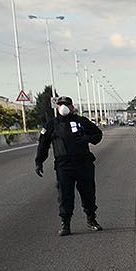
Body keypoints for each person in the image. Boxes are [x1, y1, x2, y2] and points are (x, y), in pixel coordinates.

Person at [35, 96, 104, 237]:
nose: (63, 107)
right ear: (57, 107)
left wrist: (87, 138)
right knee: (65, 195)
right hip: (63, 166)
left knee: (88, 194)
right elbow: (43, 144)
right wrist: (39, 161)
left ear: (72, 107)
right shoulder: (51, 125)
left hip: (84, 163)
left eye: (66, 104)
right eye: (60, 104)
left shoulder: (81, 121)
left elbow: (98, 134)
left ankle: (91, 219)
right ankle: (65, 224)